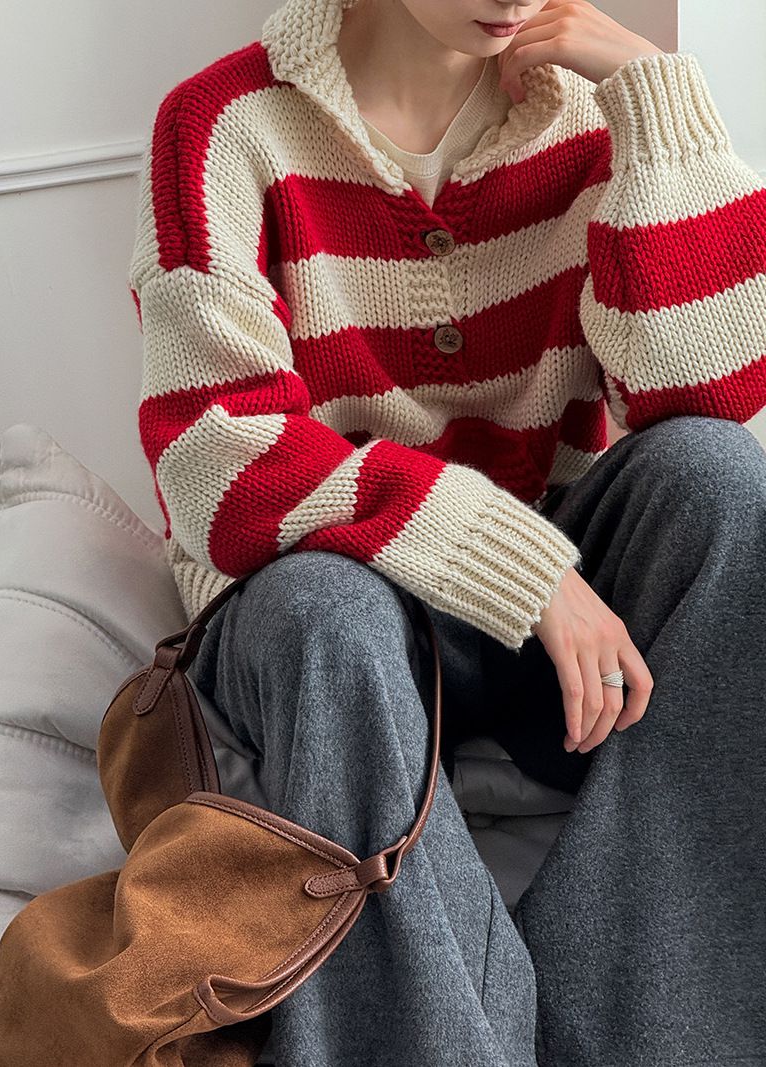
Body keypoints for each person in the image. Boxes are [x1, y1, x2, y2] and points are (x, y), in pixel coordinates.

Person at [128, 0, 766, 1062]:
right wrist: (520, 567)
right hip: (318, 603)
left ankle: (638, 1031)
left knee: (720, 478)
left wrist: (656, 99)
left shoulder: (585, 118)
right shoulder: (223, 124)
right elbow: (217, 463)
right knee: (328, 609)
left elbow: (711, 395)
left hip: (542, 621)